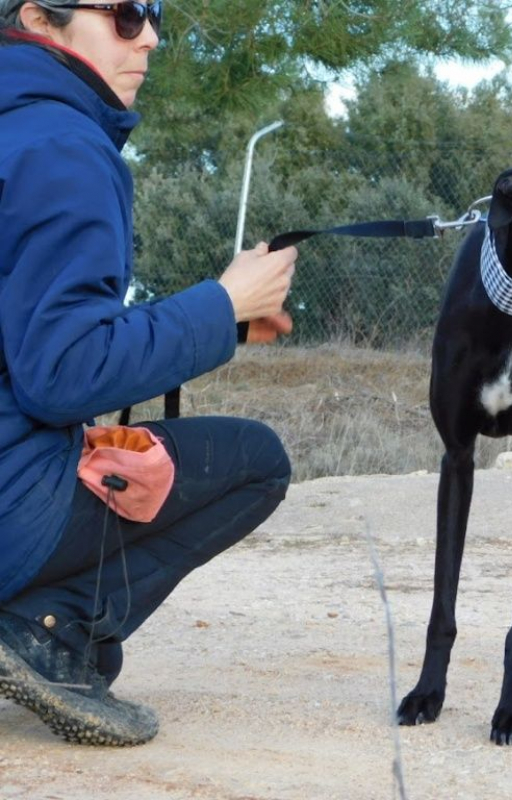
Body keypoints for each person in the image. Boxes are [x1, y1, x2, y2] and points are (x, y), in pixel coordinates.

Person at [0, 0, 299, 746]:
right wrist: (223, 302)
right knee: (254, 462)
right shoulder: (60, 145)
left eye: (154, 14)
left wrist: (217, 320)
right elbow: (63, 371)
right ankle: (48, 630)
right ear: (41, 18)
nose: (152, 37)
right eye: (127, 15)